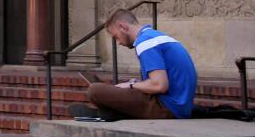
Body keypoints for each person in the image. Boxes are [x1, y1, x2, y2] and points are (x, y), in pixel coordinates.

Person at [71, 9, 199, 121]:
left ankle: (109, 113)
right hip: (179, 106)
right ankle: (110, 113)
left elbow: (160, 85)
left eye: (116, 37)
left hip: (169, 109)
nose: (119, 43)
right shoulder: (154, 36)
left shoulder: (146, 43)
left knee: (95, 90)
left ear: (123, 27)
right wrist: (137, 84)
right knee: (119, 89)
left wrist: (131, 85)